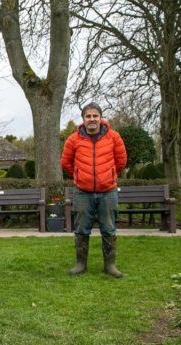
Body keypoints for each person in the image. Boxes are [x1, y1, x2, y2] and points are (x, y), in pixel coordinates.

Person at [61, 102, 127, 278]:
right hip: (82, 192)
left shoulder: (114, 137)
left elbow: (121, 161)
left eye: (95, 116)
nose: (92, 119)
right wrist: (80, 175)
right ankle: (81, 264)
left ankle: (110, 265)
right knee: (81, 229)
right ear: (83, 119)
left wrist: (109, 175)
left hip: (108, 191)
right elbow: (66, 163)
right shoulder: (73, 139)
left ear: (100, 117)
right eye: (88, 116)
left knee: (109, 229)